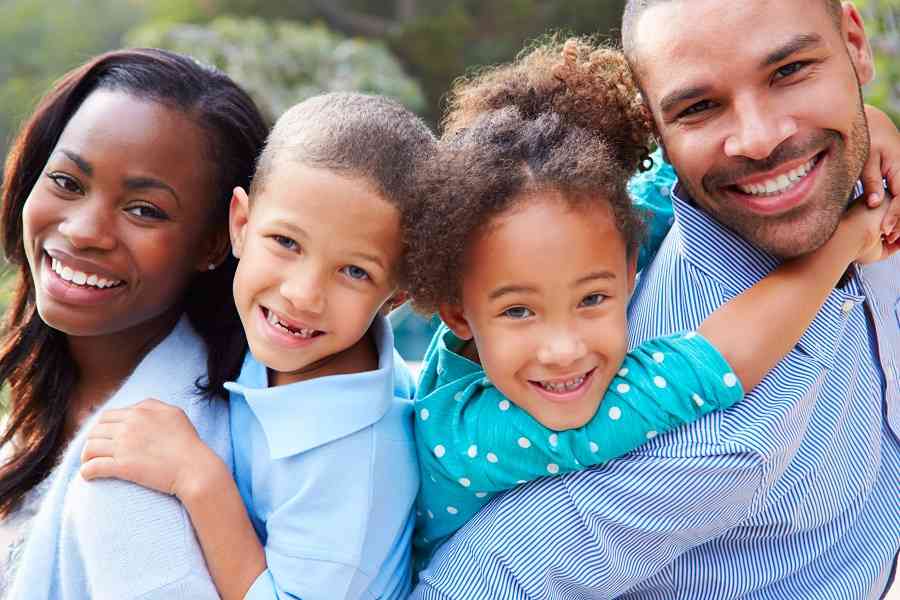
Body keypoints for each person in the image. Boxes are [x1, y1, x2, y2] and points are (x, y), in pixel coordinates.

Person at [412, 1, 900, 598]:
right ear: (659, 128)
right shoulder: (713, 433)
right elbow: (483, 579)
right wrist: (848, 235)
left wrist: (871, 127)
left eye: (791, 70)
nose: (761, 136)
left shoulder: (643, 214)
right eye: (699, 107)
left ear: (855, 43)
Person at [78, 93, 435, 599]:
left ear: (394, 296)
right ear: (241, 224)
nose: (302, 295)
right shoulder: (276, 341)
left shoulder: (353, 462)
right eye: (286, 243)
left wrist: (198, 479)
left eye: (354, 271)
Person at [0, 48, 268, 598]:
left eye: (144, 210)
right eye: (68, 182)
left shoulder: (171, 465)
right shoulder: (41, 405)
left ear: (217, 241)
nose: (83, 231)